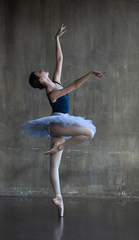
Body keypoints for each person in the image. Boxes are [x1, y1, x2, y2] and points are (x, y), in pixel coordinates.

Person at [21, 24, 106, 217]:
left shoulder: (55, 81)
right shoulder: (53, 92)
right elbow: (75, 85)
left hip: (60, 125)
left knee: (54, 165)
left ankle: (58, 197)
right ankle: (60, 147)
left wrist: (56, 38)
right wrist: (91, 72)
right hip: (58, 124)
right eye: (39, 72)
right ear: (41, 81)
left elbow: (60, 59)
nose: (42, 70)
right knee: (89, 133)